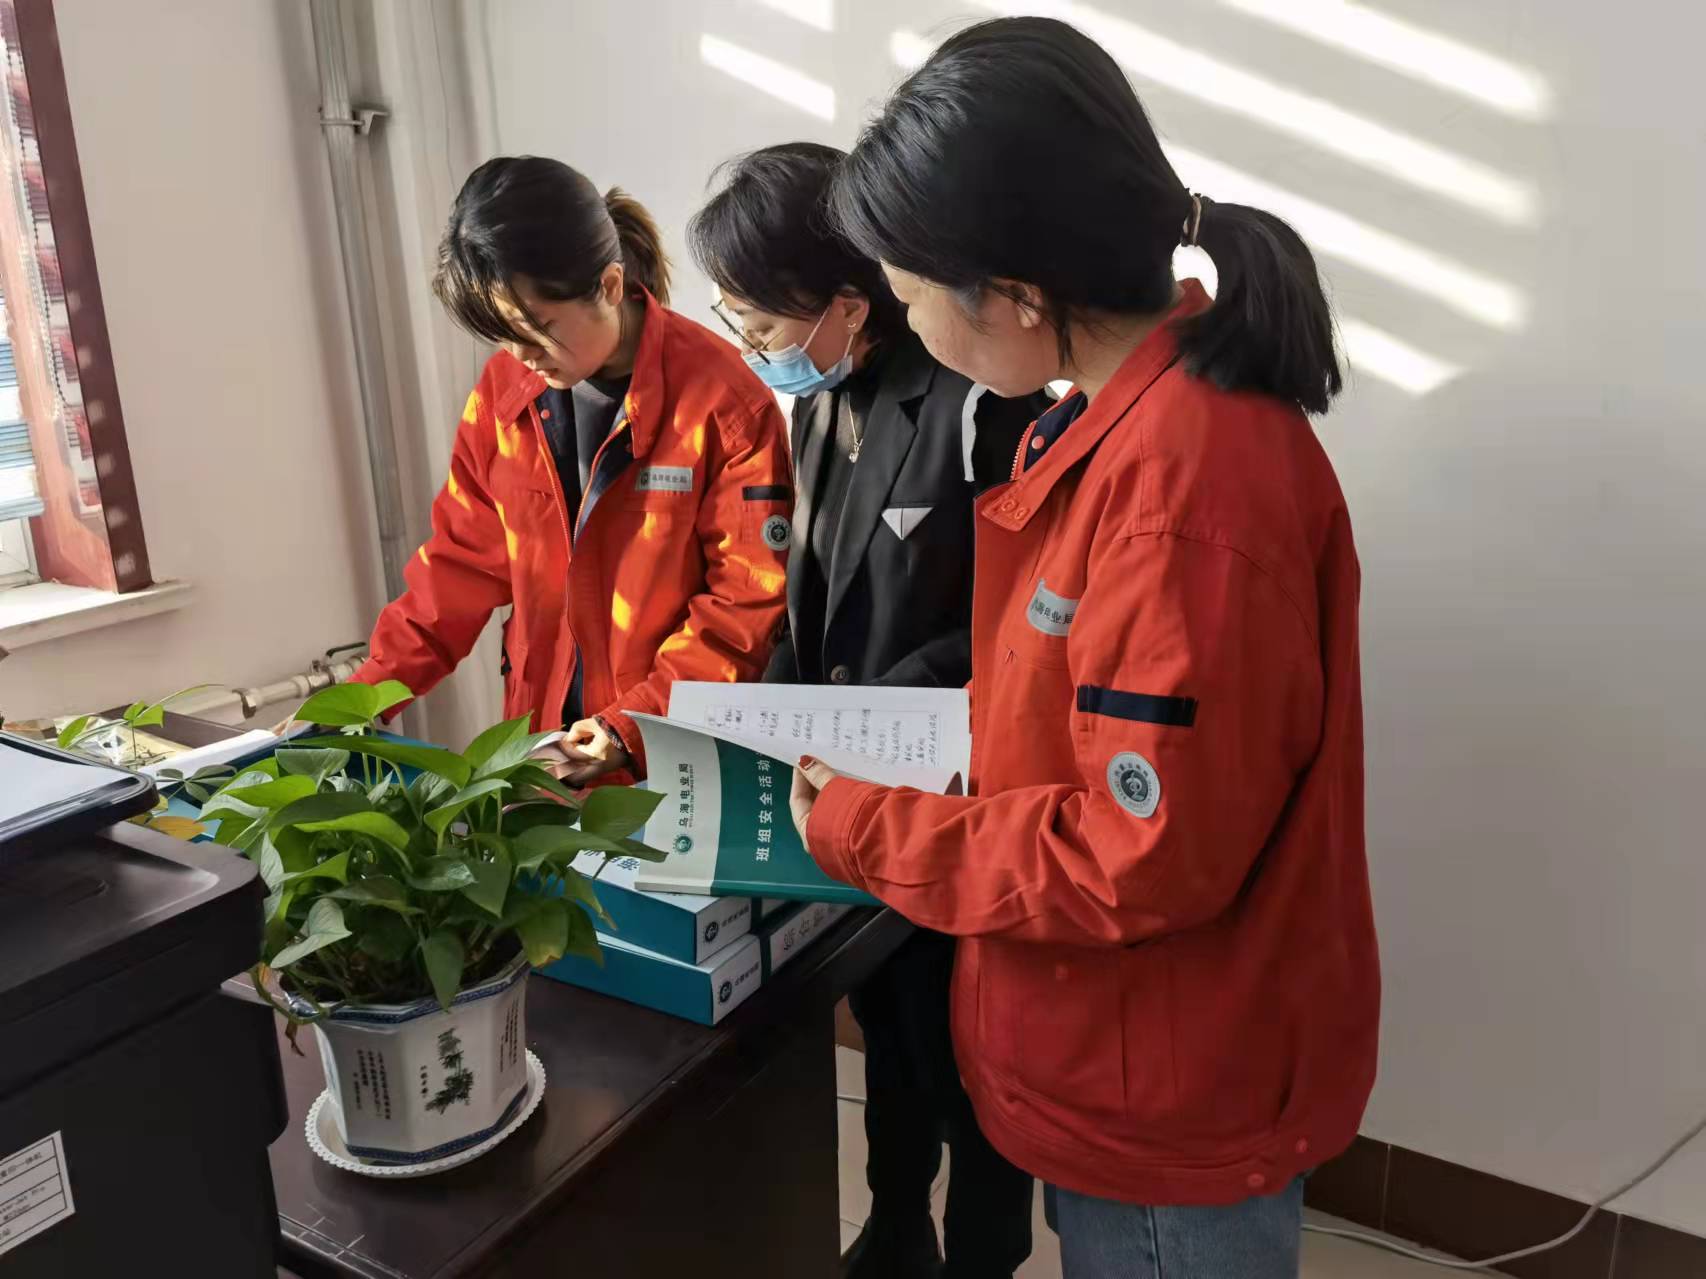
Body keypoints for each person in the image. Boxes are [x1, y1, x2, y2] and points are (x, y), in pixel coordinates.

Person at [789, 18, 1379, 1279]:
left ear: (1014, 294)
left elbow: (1135, 861)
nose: (906, 322)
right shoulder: (1123, 419)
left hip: (1162, 1086)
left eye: (909, 296)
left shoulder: (1182, 494)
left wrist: (865, 825)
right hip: (1116, 1040)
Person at [689, 142, 1048, 1279]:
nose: (752, 348)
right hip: (855, 794)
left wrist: (864, 713)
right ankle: (895, 1230)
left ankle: (981, 1255)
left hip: (960, 790)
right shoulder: (819, 403)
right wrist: (765, 720)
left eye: (760, 323)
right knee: (890, 1028)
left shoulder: (981, 400)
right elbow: (811, 600)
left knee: (972, 1058)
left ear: (848, 301)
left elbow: (1020, 628)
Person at [350, 158, 791, 781]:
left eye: (535, 331)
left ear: (609, 286)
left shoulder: (725, 404)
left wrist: (627, 729)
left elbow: (743, 606)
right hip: (540, 749)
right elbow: (458, 567)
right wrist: (362, 699)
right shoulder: (504, 392)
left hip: (666, 757)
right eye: (502, 336)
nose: (520, 356)